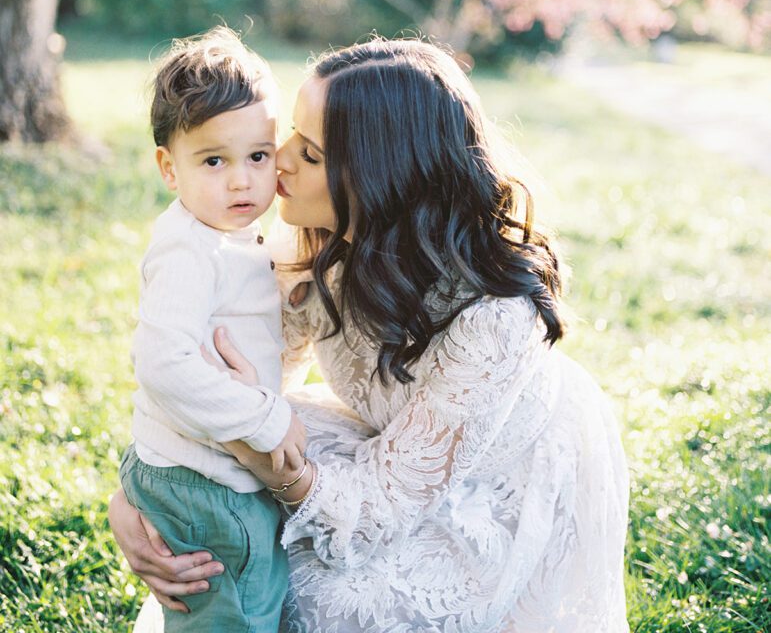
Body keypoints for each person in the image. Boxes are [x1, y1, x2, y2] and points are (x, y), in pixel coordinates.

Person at [110, 37, 630, 633]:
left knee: (312, 599)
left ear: (380, 178)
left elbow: (374, 509)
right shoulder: (308, 241)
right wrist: (142, 496)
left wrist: (262, 456)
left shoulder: (495, 320)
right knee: (230, 549)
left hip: (492, 479)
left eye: (308, 153)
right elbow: (199, 374)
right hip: (380, 443)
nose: (276, 161)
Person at [119, 27, 306, 633]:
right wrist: (265, 418)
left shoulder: (224, 236)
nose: (241, 182)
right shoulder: (187, 252)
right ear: (169, 169)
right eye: (214, 161)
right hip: (207, 485)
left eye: (258, 156)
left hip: (204, 465)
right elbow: (163, 363)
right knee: (240, 610)